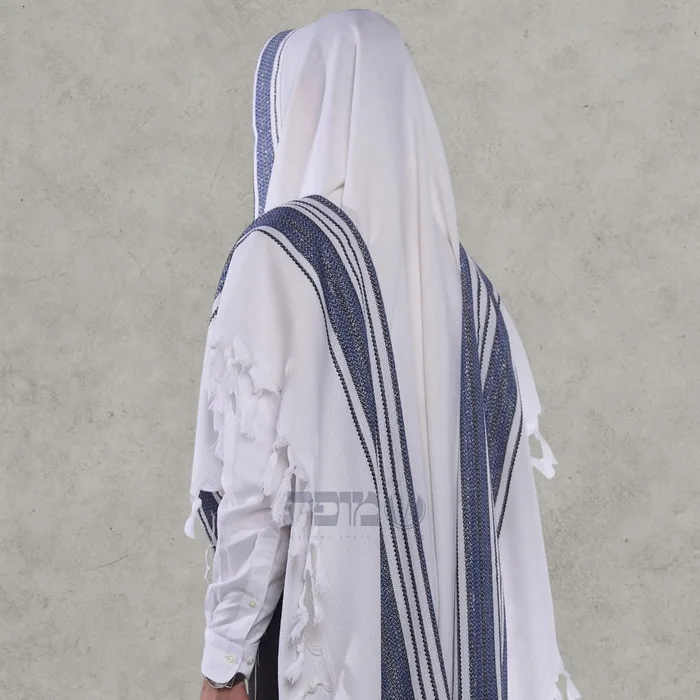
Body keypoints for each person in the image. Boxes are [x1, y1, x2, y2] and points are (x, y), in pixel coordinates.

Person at [184, 10, 580, 700]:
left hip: (320, 659)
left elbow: (256, 486)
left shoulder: (282, 256)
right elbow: (502, 521)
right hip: (463, 668)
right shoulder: (468, 288)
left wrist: (225, 659)